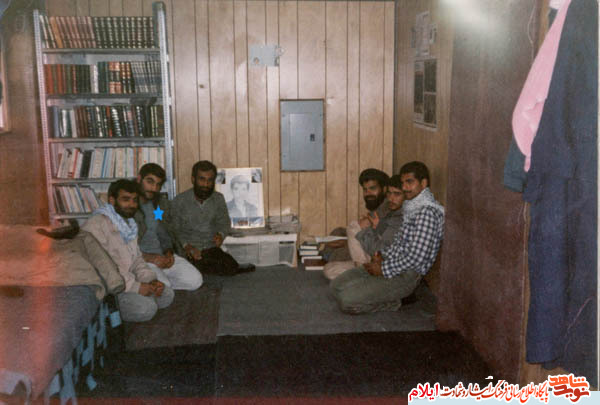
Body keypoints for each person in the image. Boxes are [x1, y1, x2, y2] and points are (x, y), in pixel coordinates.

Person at [330, 161, 444, 314]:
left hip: (405, 276)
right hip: (390, 264)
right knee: (336, 286)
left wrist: (383, 269)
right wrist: (381, 257)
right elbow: (397, 245)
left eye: (410, 182)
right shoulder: (412, 207)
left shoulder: (426, 212)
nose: (405, 187)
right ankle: (376, 291)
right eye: (403, 183)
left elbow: (415, 259)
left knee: (347, 301)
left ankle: (395, 302)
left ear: (423, 183)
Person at [82, 179, 174, 322]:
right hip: (107, 289)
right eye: (126, 199)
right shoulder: (96, 224)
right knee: (147, 308)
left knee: (167, 295)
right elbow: (104, 270)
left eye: (134, 200)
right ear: (112, 200)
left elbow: (137, 260)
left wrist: (151, 280)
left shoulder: (129, 224)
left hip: (127, 281)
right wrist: (137, 287)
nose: (131, 205)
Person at [167, 160, 255, 276]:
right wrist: (186, 246)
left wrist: (221, 234)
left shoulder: (218, 199)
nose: (206, 184)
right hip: (188, 249)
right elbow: (174, 229)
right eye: (202, 179)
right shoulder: (179, 201)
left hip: (210, 248)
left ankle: (202, 268)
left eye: (210, 180)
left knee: (230, 266)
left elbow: (224, 222)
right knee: (194, 268)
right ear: (193, 179)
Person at [134, 163, 203, 291]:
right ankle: (154, 284)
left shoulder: (158, 203)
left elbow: (164, 232)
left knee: (196, 281)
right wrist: (151, 258)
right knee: (164, 287)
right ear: (139, 179)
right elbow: (123, 247)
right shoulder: (128, 206)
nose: (154, 188)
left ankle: (157, 284)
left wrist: (168, 252)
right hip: (141, 260)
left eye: (158, 184)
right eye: (150, 182)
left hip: (162, 256)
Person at [323, 174, 404, 280]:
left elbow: (380, 250)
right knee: (329, 269)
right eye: (389, 193)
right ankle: (363, 271)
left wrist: (372, 228)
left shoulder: (400, 217)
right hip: (367, 253)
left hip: (379, 261)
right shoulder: (388, 205)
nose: (391, 198)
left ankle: (364, 274)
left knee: (353, 227)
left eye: (397, 194)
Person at [322, 168, 390, 263]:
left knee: (339, 251)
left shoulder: (388, 206)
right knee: (338, 232)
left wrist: (347, 242)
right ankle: (326, 255)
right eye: (365, 190)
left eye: (372, 188)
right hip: (365, 241)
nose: (368, 193)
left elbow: (379, 241)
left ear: (384, 189)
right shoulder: (378, 206)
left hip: (375, 252)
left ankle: (327, 256)